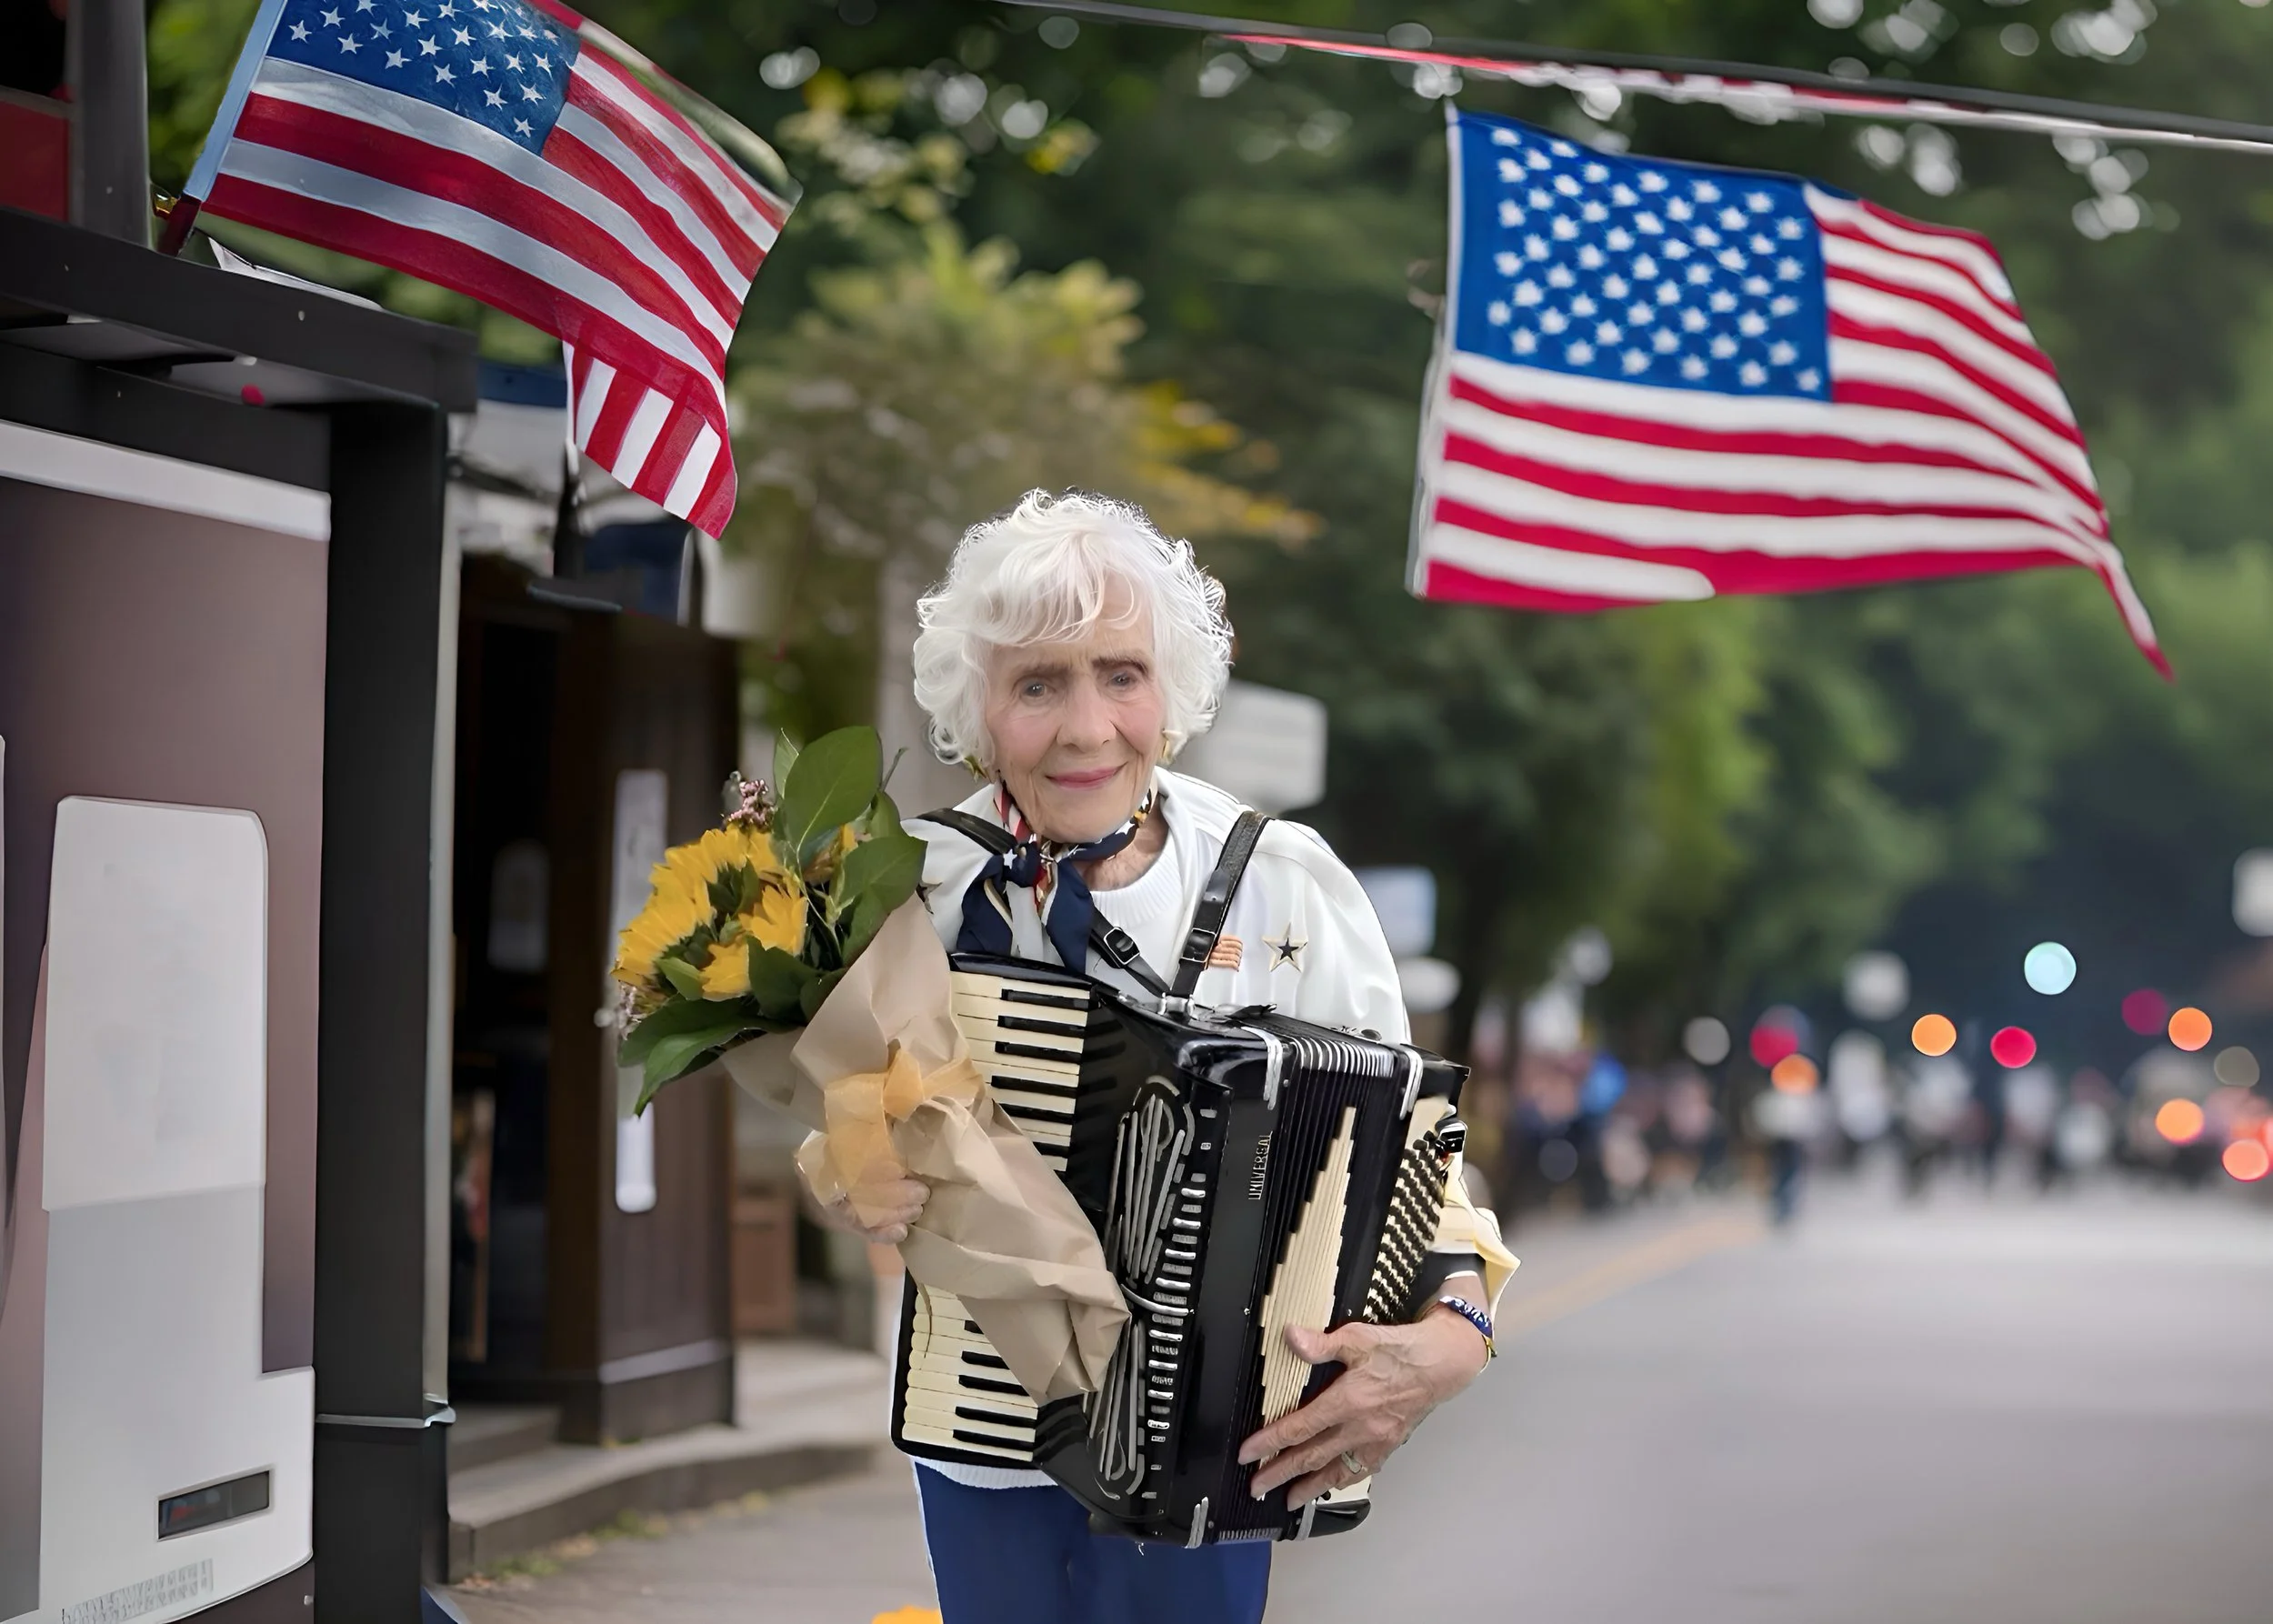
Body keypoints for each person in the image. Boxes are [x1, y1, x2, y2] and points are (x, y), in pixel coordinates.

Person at [799, 490, 1516, 1624]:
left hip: (1223, 1425)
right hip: (988, 1419)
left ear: (1172, 691)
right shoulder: (913, 887)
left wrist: (1456, 1329)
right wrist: (844, 1159)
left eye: (1120, 674)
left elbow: (1411, 1158)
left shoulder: (1283, 882)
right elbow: (846, 1115)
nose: (1086, 728)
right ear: (977, 710)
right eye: (1038, 684)